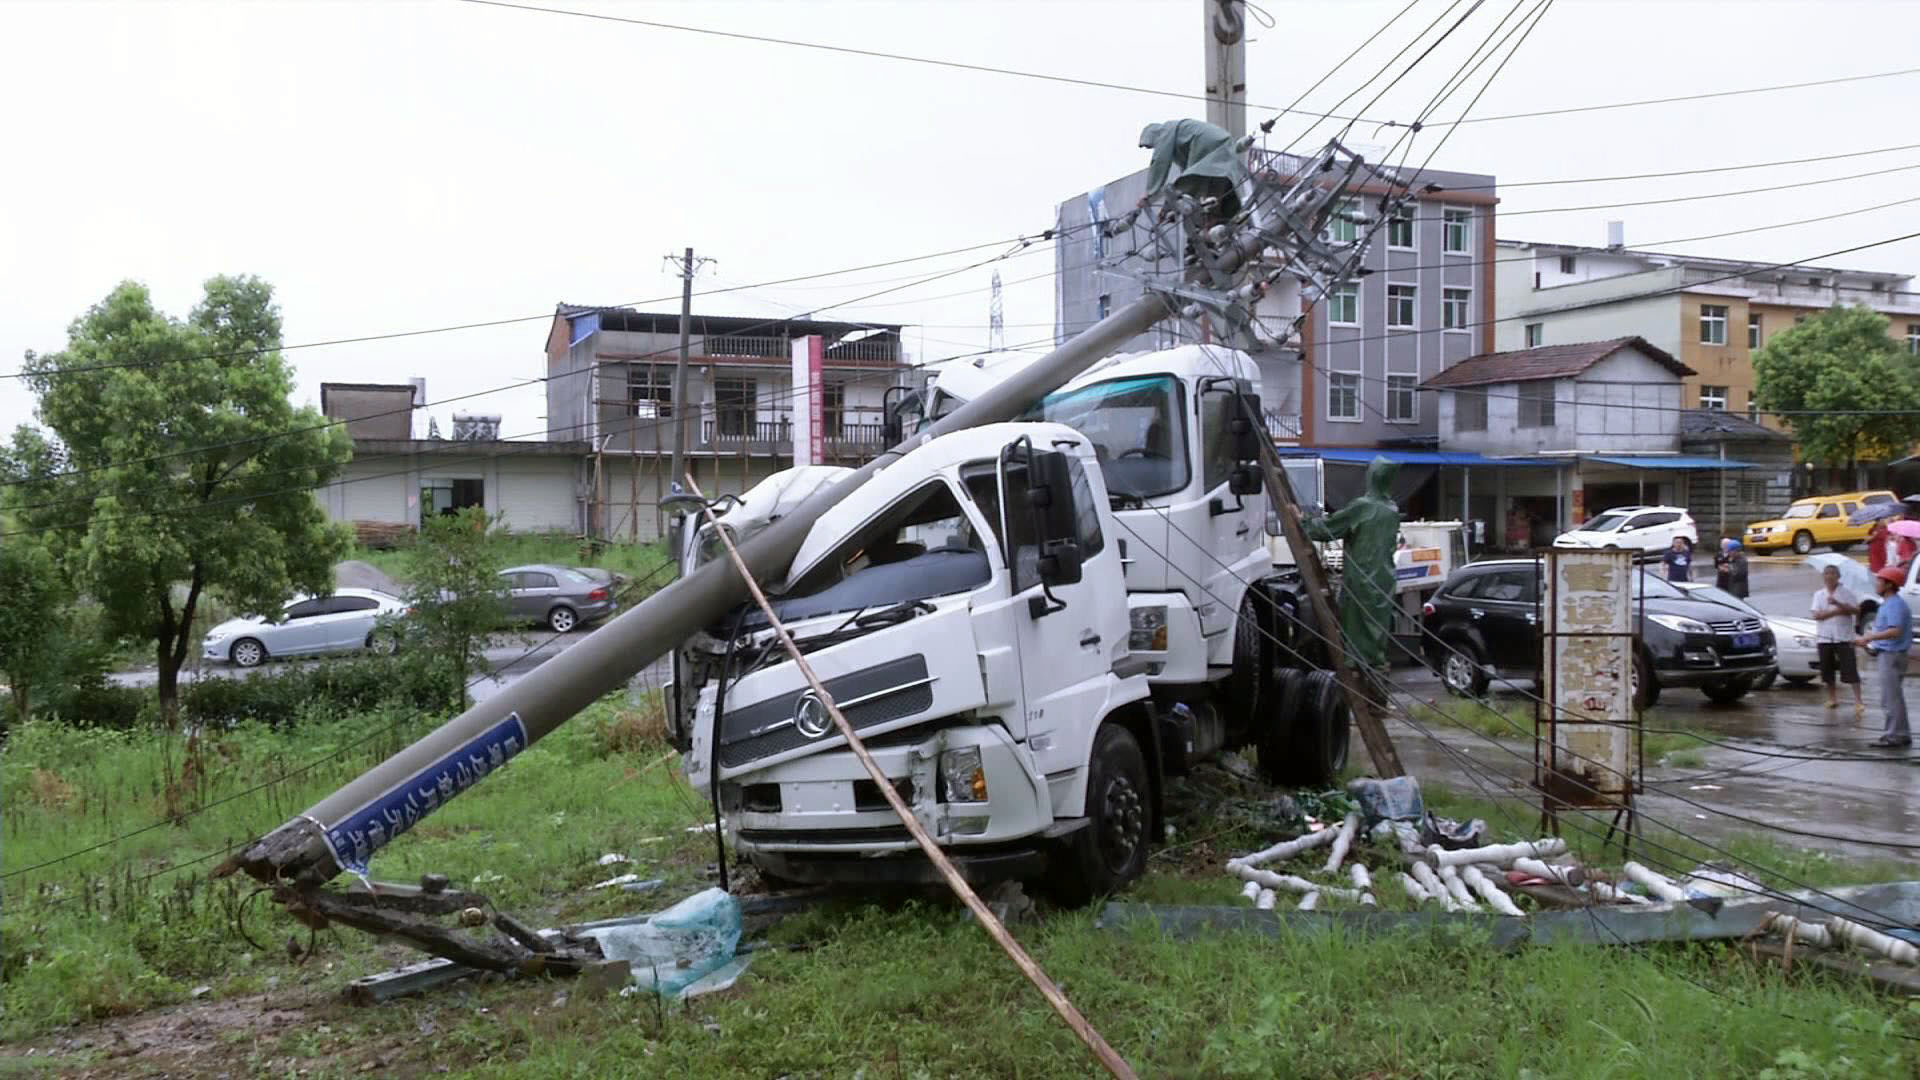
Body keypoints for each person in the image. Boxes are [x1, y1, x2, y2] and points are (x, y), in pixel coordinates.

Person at [1855, 565, 1914, 748]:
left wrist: (1870, 637)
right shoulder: (1888, 604)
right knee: (1891, 696)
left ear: (1889, 585)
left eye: (1880, 581)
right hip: (1887, 653)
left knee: (1891, 697)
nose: (1877, 584)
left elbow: (1895, 631)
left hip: (1892, 655)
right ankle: (1899, 732)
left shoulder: (1895, 604)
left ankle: (1895, 735)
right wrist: (1868, 641)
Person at [1810, 564, 1864, 718]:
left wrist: (1839, 604)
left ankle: (1858, 700)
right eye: (1827, 573)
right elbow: (1816, 615)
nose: (1830, 576)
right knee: (1827, 668)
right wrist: (1836, 611)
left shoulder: (1846, 593)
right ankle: (1832, 698)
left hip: (1843, 636)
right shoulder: (1819, 595)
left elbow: (1856, 610)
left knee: (1850, 667)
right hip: (1825, 637)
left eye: (1833, 573)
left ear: (1838, 576)